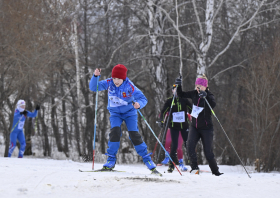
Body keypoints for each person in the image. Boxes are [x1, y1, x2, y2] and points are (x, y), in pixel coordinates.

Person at [89, 64, 161, 175]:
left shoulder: (130, 86)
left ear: (123, 78)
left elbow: (143, 99)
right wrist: (95, 76)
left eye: (118, 79)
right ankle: (111, 160)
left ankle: (148, 160)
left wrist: (139, 104)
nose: (116, 81)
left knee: (134, 135)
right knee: (115, 132)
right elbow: (94, 88)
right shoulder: (109, 83)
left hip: (129, 113)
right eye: (114, 78)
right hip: (115, 113)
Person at [175, 74, 223, 176]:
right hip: (194, 127)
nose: (198, 88)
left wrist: (205, 96)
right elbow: (181, 94)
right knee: (189, 146)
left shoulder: (209, 95)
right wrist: (178, 85)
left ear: (205, 87)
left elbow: (213, 104)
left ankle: (216, 172)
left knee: (208, 152)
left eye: (200, 86)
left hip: (206, 128)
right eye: (197, 86)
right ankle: (195, 168)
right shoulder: (194, 94)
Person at [158, 84, 192, 173]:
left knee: (188, 144)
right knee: (174, 145)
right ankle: (171, 165)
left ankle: (193, 164)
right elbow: (163, 111)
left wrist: (196, 118)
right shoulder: (169, 101)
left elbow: (191, 109)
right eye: (174, 90)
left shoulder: (184, 99)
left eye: (178, 90)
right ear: (172, 91)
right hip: (174, 126)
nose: (176, 92)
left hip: (184, 126)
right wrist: (161, 120)